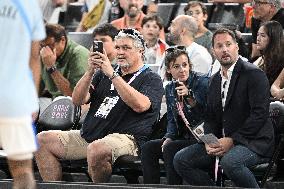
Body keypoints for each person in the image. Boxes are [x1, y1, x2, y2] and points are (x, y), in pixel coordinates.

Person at [35, 28, 164, 183]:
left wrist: (113, 75)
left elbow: (140, 106)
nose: (120, 52)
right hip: (91, 135)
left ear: (140, 51)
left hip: (127, 138)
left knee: (97, 149)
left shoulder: (151, 78)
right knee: (42, 140)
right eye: (118, 47)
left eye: (126, 48)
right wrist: (90, 72)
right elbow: (77, 100)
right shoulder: (101, 74)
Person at [173, 28, 274, 188]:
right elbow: (211, 117)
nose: (224, 49)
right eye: (219, 46)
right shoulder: (214, 80)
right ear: (214, 51)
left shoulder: (254, 74)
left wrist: (233, 140)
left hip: (253, 142)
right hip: (223, 141)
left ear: (237, 47)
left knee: (231, 162)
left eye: (228, 44)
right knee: (181, 159)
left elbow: (259, 115)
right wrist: (210, 141)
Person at [141, 46, 209, 184]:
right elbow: (172, 119)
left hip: (204, 138)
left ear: (190, 65)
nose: (182, 70)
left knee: (170, 148)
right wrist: (169, 136)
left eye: (185, 65)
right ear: (169, 70)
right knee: (148, 148)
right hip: (183, 137)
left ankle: (173, 187)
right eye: (176, 66)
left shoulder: (203, 83)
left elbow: (207, 117)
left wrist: (190, 98)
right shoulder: (170, 88)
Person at [0, 0, 46, 188]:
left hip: (14, 96)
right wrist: (31, 99)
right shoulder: (30, 6)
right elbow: (34, 57)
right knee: (22, 170)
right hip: (15, 97)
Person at [39, 23, 89, 99]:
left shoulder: (79, 54)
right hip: (55, 103)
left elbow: (74, 96)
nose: (46, 50)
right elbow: (37, 90)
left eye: (50, 45)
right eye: (42, 46)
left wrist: (51, 68)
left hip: (78, 105)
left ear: (63, 40)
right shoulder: (43, 53)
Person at [160, 15, 212, 80]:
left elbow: (196, 86)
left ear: (182, 31)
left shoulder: (199, 55)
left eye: (173, 25)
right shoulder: (169, 51)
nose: (169, 28)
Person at [253, 20, 284, 86]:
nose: (258, 39)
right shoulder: (259, 59)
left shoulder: (280, 63)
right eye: (258, 35)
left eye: (263, 36)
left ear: (273, 38)